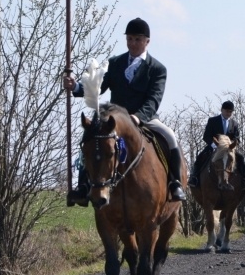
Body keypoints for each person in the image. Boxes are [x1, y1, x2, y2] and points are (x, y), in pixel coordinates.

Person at [63, 17, 187, 206]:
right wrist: (76, 87)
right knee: (90, 138)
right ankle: (83, 186)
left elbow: (154, 99)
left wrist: (138, 117)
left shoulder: (157, 69)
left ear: (147, 41)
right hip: (114, 118)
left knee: (170, 137)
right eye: (129, 39)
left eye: (137, 39)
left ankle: (175, 183)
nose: (133, 43)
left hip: (143, 118)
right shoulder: (115, 63)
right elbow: (97, 88)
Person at [188, 100, 245, 190]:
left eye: (230, 112)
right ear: (222, 110)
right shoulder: (213, 120)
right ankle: (194, 177)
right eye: (227, 111)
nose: (228, 113)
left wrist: (231, 145)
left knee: (241, 158)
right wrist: (214, 145)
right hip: (214, 146)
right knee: (200, 157)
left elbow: (237, 138)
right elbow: (206, 136)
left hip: (228, 149)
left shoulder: (234, 124)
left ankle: (244, 181)